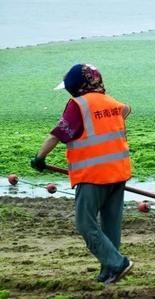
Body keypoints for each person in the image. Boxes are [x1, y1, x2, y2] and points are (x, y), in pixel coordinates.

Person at [30, 63, 134, 284]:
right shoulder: (112, 102)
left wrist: (39, 158)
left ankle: (118, 263)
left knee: (85, 223)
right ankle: (109, 271)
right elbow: (127, 110)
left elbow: (57, 134)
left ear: (75, 86)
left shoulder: (78, 105)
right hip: (119, 172)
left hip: (93, 174)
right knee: (110, 224)